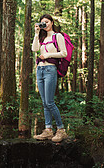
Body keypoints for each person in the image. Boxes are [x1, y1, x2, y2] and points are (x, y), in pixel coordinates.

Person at [32, 14, 68, 142]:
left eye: (46, 22)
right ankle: (48, 130)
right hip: (40, 70)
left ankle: (61, 129)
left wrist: (47, 55)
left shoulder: (57, 36)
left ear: (52, 22)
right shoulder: (42, 38)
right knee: (44, 102)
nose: (45, 25)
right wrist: (36, 33)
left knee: (49, 102)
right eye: (42, 23)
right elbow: (34, 49)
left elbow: (64, 53)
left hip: (50, 70)